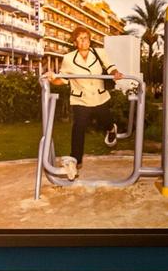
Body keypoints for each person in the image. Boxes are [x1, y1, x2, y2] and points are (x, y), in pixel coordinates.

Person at [46, 27, 122, 177]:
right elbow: (63, 79)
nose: (84, 41)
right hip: (80, 98)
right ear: (75, 42)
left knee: (105, 119)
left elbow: (110, 66)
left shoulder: (99, 53)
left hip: (99, 96)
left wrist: (115, 73)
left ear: (89, 39)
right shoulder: (68, 58)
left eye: (86, 38)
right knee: (78, 128)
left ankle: (111, 128)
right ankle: (76, 159)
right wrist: (52, 78)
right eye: (80, 39)